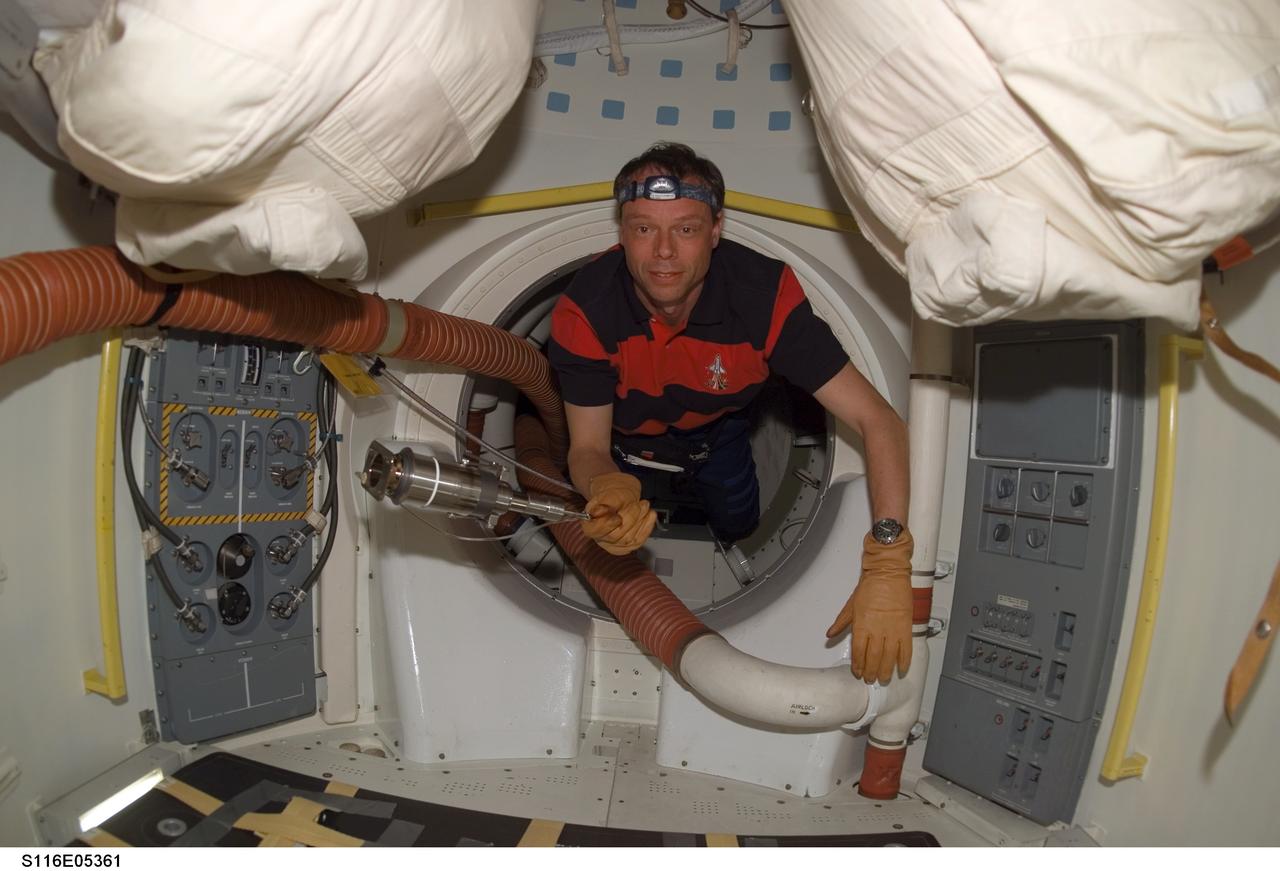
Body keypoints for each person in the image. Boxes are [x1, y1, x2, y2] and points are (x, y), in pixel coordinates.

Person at [547, 142, 913, 684]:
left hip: (717, 436)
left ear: (716, 230)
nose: (664, 252)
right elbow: (587, 447)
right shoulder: (586, 311)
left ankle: (731, 526)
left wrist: (888, 558)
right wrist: (604, 486)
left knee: (740, 520)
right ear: (622, 231)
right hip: (624, 447)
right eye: (644, 228)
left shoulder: (763, 298)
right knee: (614, 528)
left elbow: (878, 420)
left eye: (686, 229)